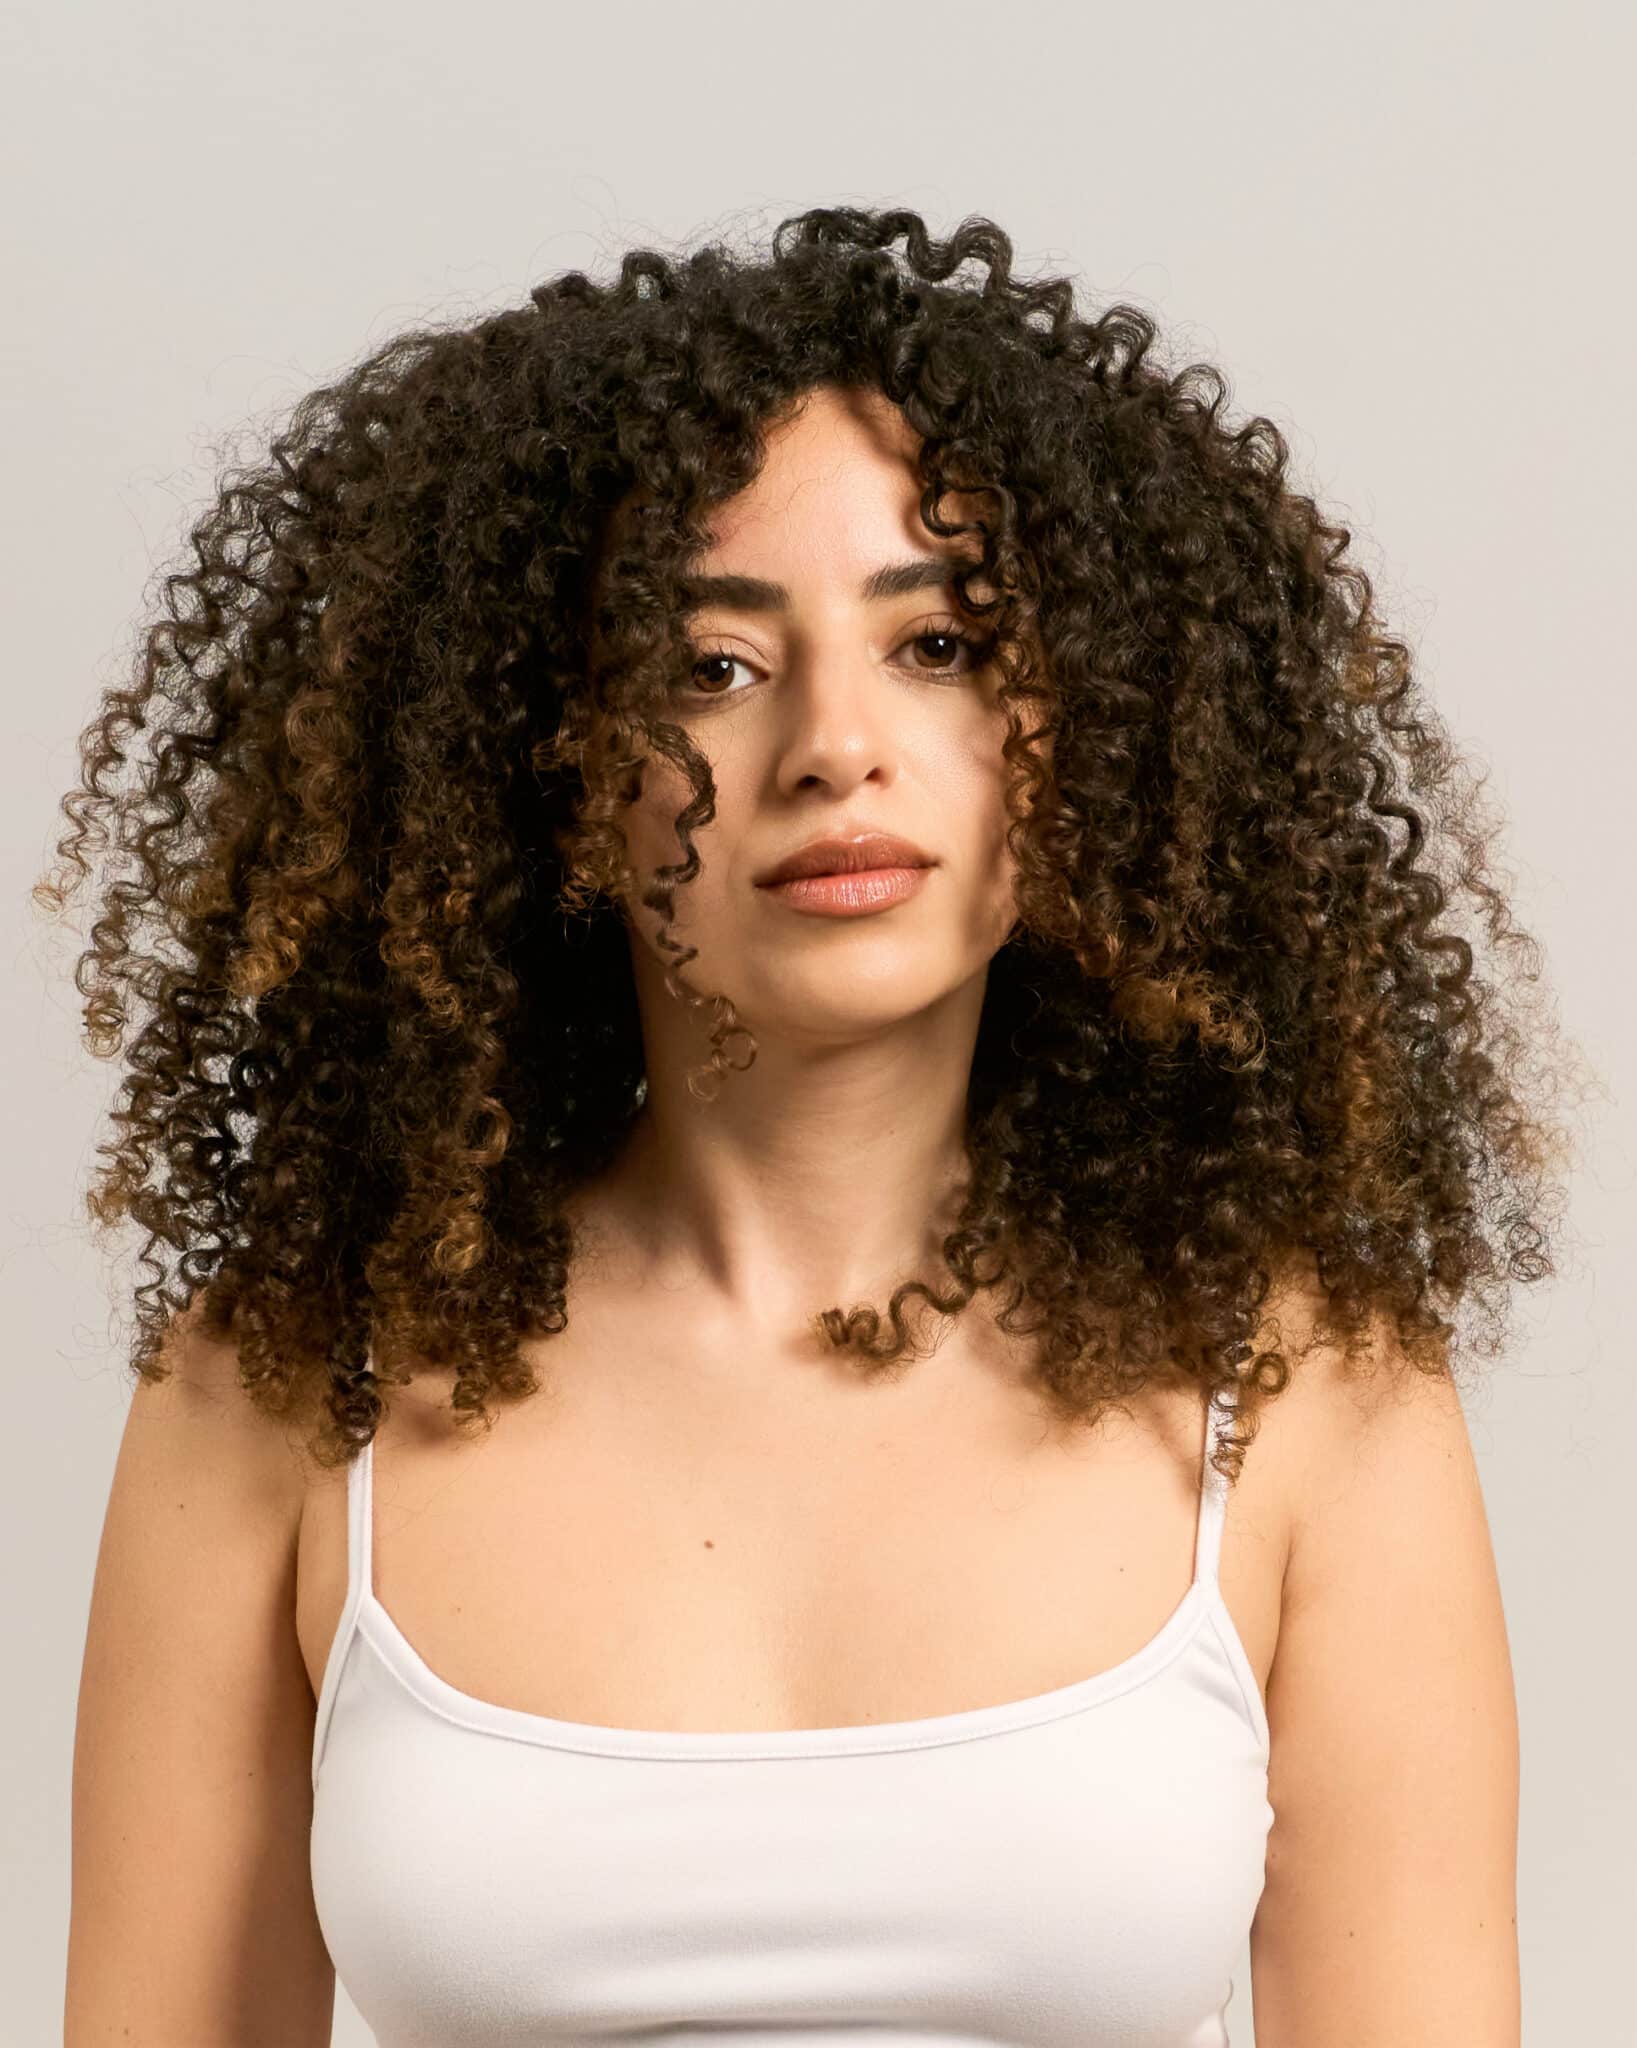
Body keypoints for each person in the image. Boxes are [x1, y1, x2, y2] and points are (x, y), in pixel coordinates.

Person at [54, 206, 1566, 2045]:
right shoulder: (285, 1385)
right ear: (543, 764)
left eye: (935, 642)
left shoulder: (1309, 1388)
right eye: (709, 665)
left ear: (1082, 722)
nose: (836, 744)